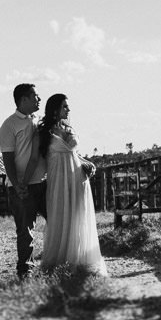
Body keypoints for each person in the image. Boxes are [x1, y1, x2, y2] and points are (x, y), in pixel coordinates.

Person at [36, 93, 107, 276]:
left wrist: (87, 163)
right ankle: (57, 262)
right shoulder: (43, 131)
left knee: (77, 217)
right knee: (60, 216)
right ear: (55, 109)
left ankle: (79, 260)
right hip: (58, 179)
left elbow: (73, 154)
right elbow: (41, 157)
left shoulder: (69, 128)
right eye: (65, 106)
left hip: (77, 177)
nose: (68, 109)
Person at [0, 83, 48, 279]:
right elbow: (8, 158)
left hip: (43, 182)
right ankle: (25, 269)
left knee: (56, 220)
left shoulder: (39, 120)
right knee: (25, 229)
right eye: (36, 96)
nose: (39, 99)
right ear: (24, 99)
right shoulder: (9, 125)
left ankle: (56, 260)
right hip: (21, 186)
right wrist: (18, 185)